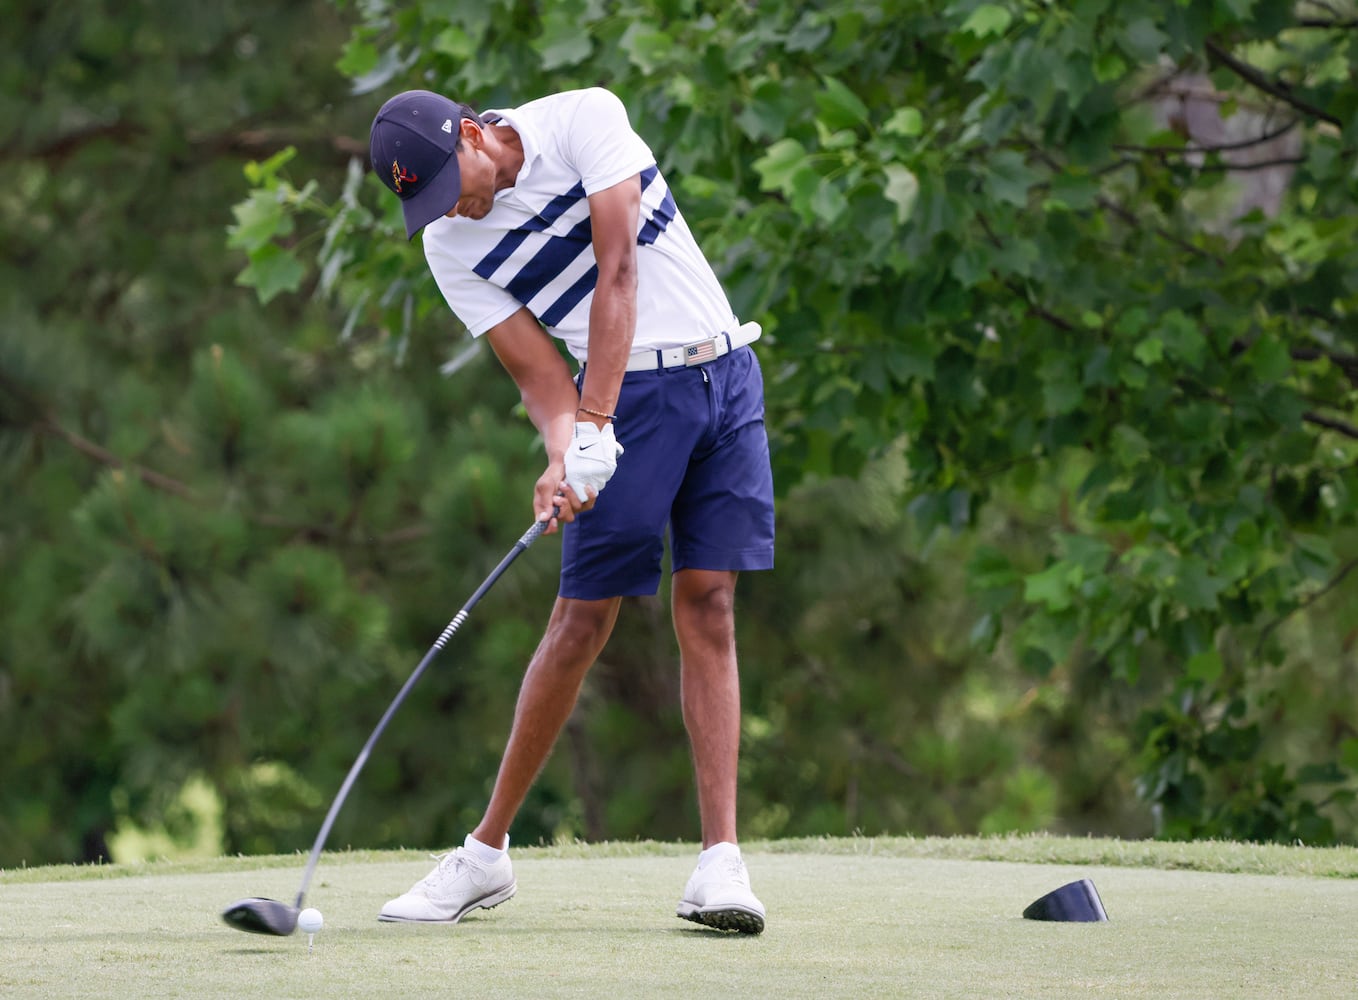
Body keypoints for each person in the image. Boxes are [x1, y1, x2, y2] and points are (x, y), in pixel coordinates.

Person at [367, 86, 775, 935]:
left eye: (454, 183)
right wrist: (565, 452)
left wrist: (593, 421)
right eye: (432, 203)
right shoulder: (449, 244)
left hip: (724, 375)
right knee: (581, 619)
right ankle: (484, 855)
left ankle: (720, 863)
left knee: (711, 604)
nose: (455, 207)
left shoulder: (583, 119)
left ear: (475, 135)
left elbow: (617, 266)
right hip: (628, 403)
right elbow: (534, 373)